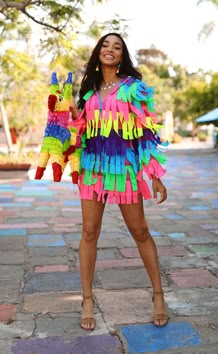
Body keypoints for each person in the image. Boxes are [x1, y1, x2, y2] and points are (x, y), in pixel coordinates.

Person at [70, 32, 169, 331]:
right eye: (105, 45)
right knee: (89, 231)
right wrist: (71, 115)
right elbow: (82, 132)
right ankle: (87, 300)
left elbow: (146, 132)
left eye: (116, 47)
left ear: (122, 55)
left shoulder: (133, 88)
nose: (110, 50)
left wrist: (154, 177)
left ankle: (158, 295)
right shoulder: (88, 91)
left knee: (139, 231)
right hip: (93, 167)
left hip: (124, 168)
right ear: (98, 53)